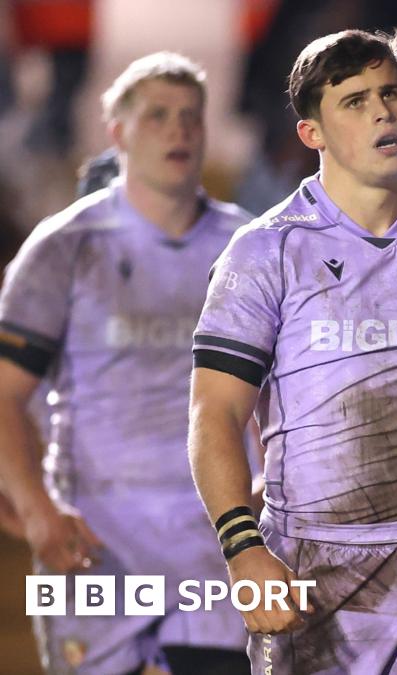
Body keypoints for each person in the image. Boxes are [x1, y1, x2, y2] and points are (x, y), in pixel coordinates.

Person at [187, 29, 397, 673]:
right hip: (311, 568)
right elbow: (213, 415)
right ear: (313, 135)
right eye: (354, 101)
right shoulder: (264, 251)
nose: (383, 111)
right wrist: (244, 549)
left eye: (390, 93)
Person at [0, 52, 252, 675]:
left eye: (192, 118)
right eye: (158, 116)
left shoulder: (250, 246)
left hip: (218, 541)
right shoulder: (63, 246)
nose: (179, 131)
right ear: (117, 132)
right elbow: (4, 392)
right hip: (94, 539)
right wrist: (36, 508)